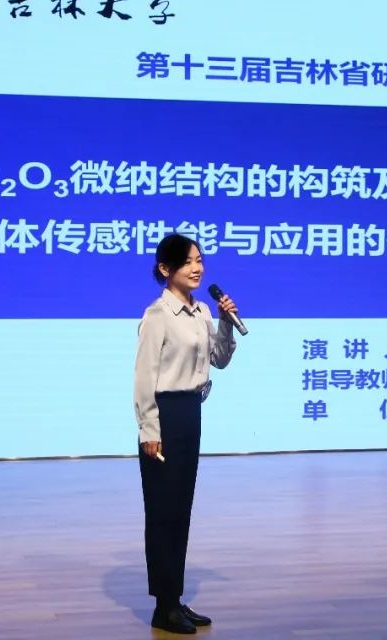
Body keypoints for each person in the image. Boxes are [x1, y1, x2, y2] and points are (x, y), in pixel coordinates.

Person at [133, 233, 238, 634]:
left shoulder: (202, 312)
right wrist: (149, 429)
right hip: (164, 415)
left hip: (191, 412)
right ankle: (163, 606)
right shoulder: (157, 315)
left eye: (199, 260)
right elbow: (144, 378)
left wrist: (226, 323)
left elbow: (220, 360)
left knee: (181, 510)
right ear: (165, 269)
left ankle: (174, 599)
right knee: (163, 512)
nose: (197, 268)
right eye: (188, 262)